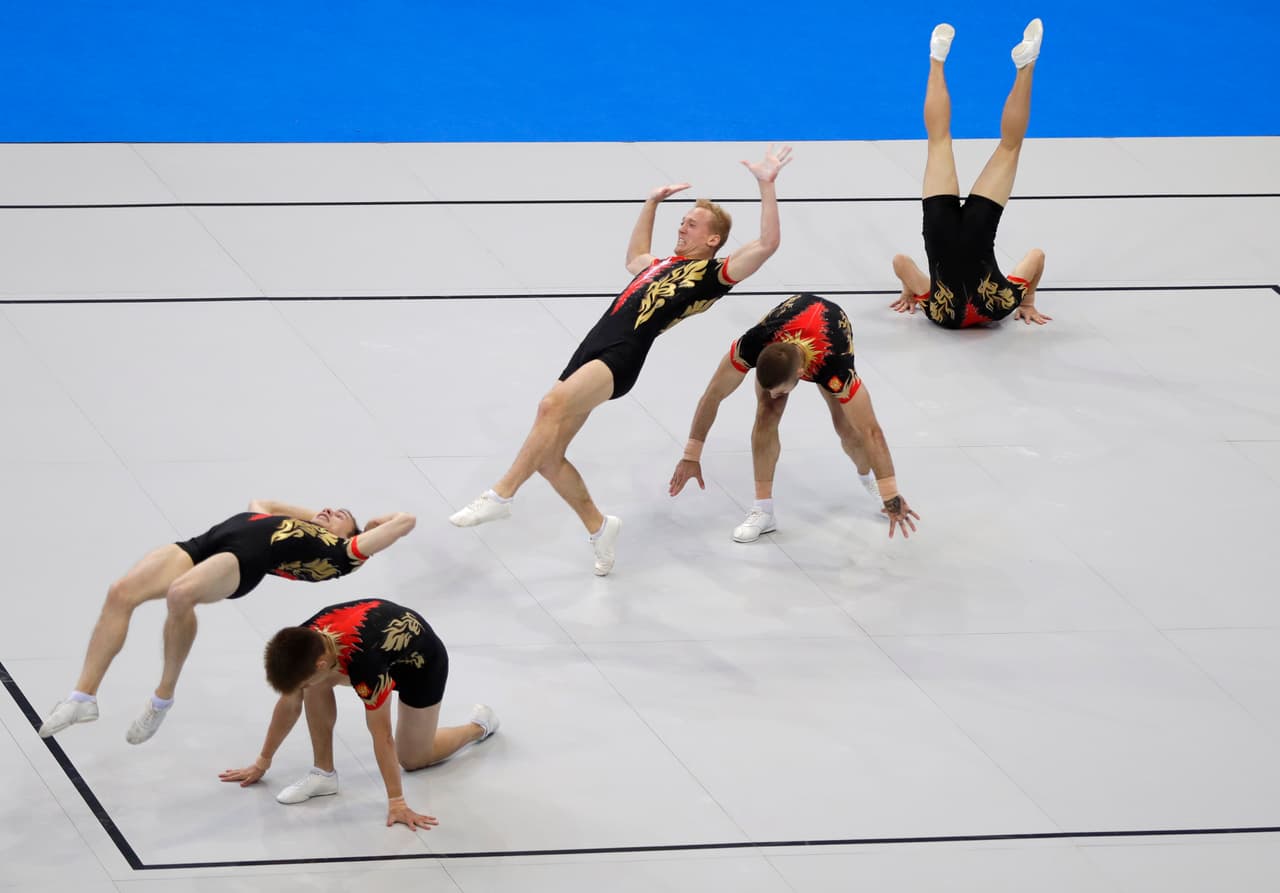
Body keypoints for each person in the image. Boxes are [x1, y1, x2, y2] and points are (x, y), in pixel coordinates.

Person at [448, 146, 794, 575]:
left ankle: (500, 496)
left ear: (713, 240)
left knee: (549, 407)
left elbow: (768, 243)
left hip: (623, 354)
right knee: (548, 456)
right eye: (681, 220)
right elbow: (634, 258)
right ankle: (599, 527)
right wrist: (651, 204)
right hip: (592, 345)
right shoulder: (660, 264)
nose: (682, 226)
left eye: (691, 223)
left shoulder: (713, 275)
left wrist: (766, 184)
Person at [39, 499, 416, 744]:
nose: (329, 509)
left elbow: (406, 522)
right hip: (206, 543)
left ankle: (162, 699)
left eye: (340, 515)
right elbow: (264, 502)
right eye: (329, 507)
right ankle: (82, 696)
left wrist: (370, 524)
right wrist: (317, 518)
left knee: (180, 595)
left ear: (350, 536)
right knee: (121, 592)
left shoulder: (341, 552)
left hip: (242, 561)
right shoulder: (280, 519)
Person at [219, 598, 497, 831]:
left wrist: (397, 802)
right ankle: (323, 774)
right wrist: (262, 762)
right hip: (355, 653)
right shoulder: (304, 641)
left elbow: (382, 735)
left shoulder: (367, 665)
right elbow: (289, 704)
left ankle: (478, 726)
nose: (299, 690)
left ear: (322, 661)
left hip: (420, 665)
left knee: (413, 758)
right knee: (313, 685)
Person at [669, 294, 919, 541]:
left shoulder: (835, 367)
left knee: (847, 429)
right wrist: (691, 455)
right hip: (787, 326)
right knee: (766, 413)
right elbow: (713, 395)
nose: (774, 394)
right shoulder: (754, 343)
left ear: (801, 374)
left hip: (828, 338)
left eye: (780, 389)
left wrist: (890, 492)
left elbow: (871, 431)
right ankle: (763, 511)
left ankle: (867, 478)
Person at [890, 19, 1051, 328]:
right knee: (939, 141)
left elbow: (1037, 257)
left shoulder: (1001, 305)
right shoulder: (939, 312)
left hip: (979, 231)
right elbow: (901, 263)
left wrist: (1027, 301)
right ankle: (937, 59)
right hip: (939, 231)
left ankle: (1026, 65)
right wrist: (910, 292)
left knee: (1009, 147)